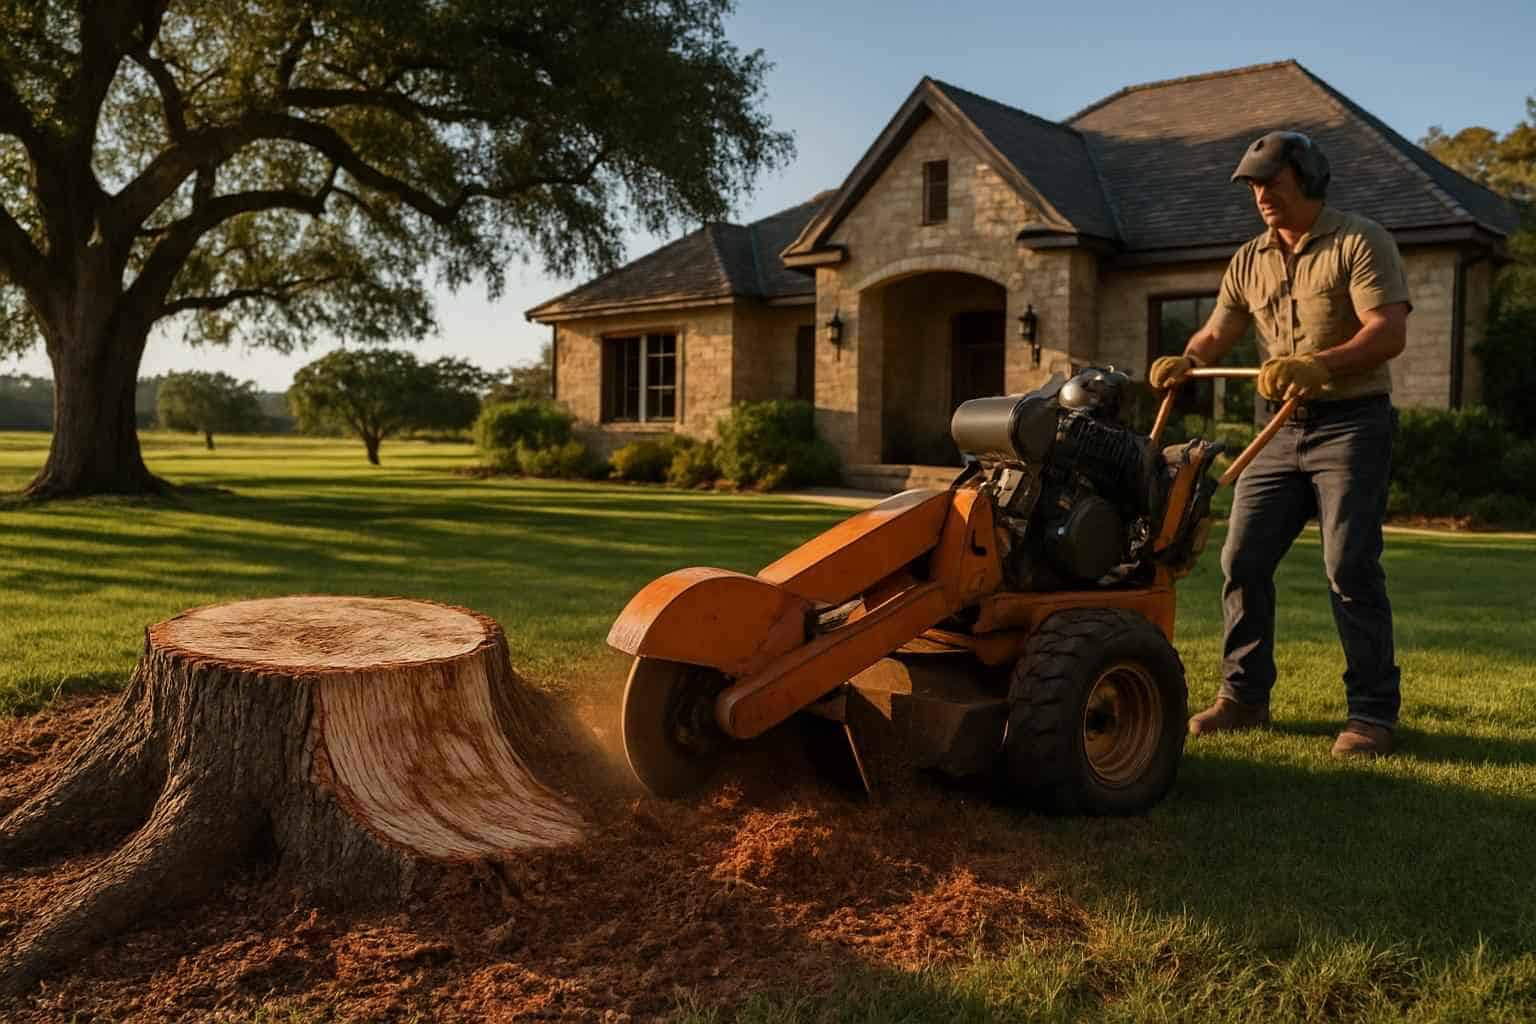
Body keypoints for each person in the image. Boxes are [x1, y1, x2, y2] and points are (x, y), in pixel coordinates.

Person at [1149, 130, 1411, 757]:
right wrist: (1186, 360)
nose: (1261, 194)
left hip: (1352, 424)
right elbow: (1218, 332)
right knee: (1240, 562)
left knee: (1348, 566)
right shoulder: (1248, 259)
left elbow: (1388, 331)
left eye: (1271, 181)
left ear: (1307, 178)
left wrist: (1321, 364)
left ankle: (1372, 713)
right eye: (1253, 185)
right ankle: (1244, 699)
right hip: (1278, 430)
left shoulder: (1360, 240)